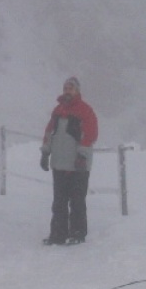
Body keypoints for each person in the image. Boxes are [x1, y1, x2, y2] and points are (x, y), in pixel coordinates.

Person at [39, 76, 98, 245]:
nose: (67, 91)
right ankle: (58, 234)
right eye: (65, 88)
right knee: (59, 202)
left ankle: (77, 234)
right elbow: (49, 133)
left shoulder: (85, 111)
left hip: (78, 166)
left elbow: (90, 134)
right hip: (59, 164)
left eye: (70, 88)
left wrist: (82, 156)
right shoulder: (57, 111)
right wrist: (45, 153)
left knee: (77, 201)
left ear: (77, 91)